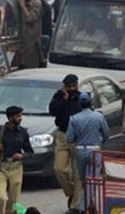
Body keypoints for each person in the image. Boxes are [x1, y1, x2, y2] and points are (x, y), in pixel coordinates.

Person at [66, 92, 110, 214]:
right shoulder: (98, 117)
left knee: (85, 180)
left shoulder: (74, 118)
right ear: (91, 103)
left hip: (80, 151)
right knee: (92, 180)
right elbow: (106, 133)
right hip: (94, 150)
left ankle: (87, 206)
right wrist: (99, 141)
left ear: (80, 104)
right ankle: (83, 208)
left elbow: (69, 138)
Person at [49, 74, 83, 214]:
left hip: (77, 137)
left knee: (77, 172)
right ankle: (71, 192)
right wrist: (64, 98)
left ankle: (75, 206)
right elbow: (52, 111)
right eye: (69, 87)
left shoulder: (82, 97)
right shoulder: (58, 96)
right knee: (59, 168)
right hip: (63, 135)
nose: (72, 89)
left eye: (74, 86)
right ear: (64, 87)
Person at [0, 106, 34, 214]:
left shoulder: (23, 132)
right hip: (1, 167)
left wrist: (21, 156)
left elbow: (30, 152)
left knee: (13, 201)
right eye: (18, 116)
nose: (21, 118)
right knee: (0, 197)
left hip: (16, 168)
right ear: (10, 118)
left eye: (21, 115)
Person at [17, 0, 44, 69]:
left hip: (32, 44)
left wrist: (23, 6)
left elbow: (30, 19)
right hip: (20, 43)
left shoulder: (37, 3)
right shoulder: (18, 1)